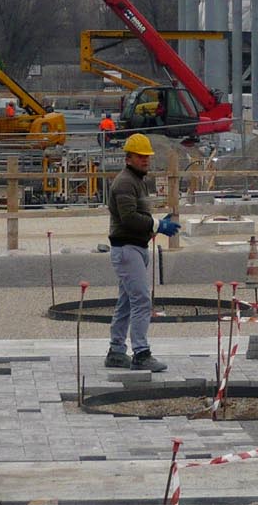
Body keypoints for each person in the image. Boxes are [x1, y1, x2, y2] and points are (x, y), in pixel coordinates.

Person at [106, 133, 179, 372]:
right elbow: (128, 218)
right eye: (141, 156)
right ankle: (141, 352)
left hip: (133, 247)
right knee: (141, 300)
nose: (146, 160)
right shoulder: (126, 182)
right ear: (128, 158)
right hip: (127, 248)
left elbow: (137, 216)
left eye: (147, 156)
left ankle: (116, 350)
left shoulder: (136, 180)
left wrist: (153, 223)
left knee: (127, 301)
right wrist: (157, 224)